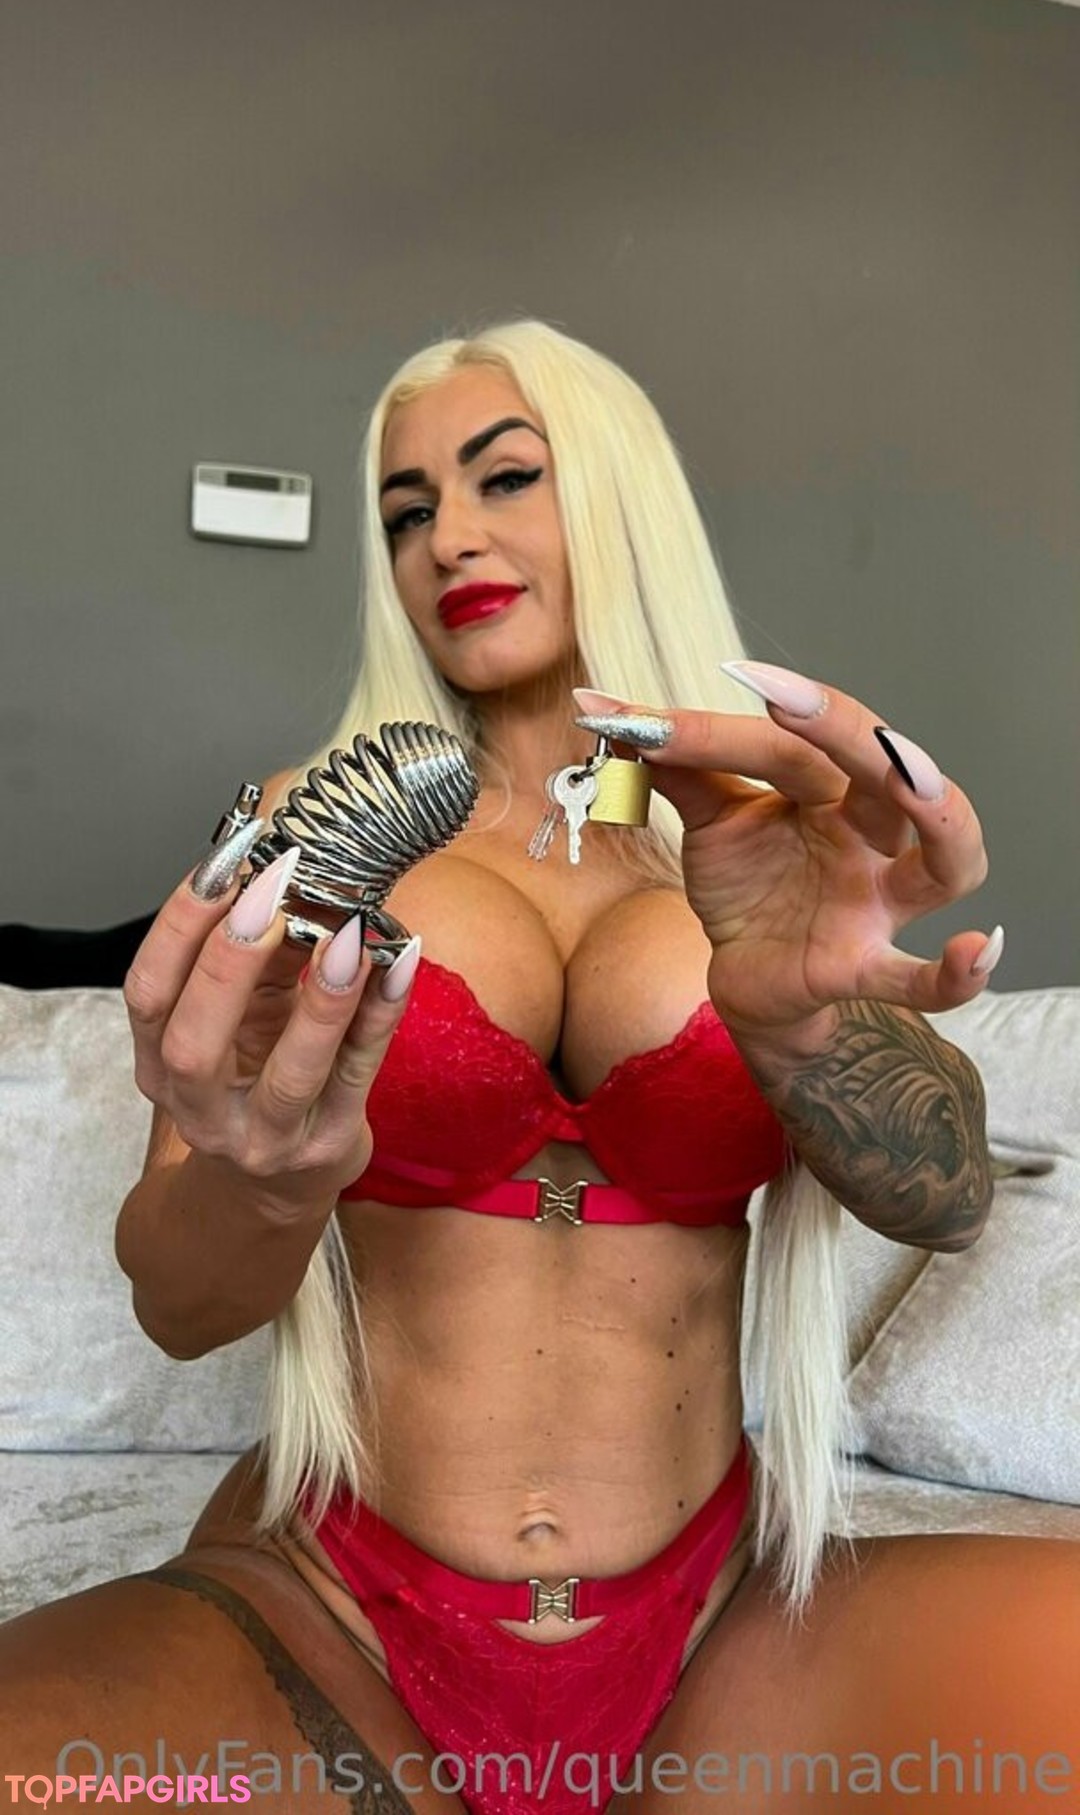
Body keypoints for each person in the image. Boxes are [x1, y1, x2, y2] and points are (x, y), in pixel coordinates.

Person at [1, 319, 1077, 1815]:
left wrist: (802, 1027)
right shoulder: (313, 830)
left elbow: (947, 1200)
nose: (448, 538)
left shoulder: (773, 838)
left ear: (619, 493)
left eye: (504, 477)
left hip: (724, 1622)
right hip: (333, 1610)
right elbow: (181, 1308)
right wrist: (263, 1186)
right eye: (407, 511)